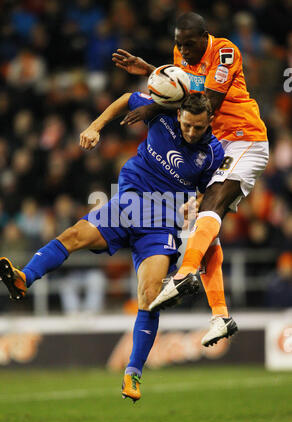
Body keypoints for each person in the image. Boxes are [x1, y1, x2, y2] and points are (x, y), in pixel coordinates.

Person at [0, 91, 224, 402]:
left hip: (161, 222)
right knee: (74, 235)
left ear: (209, 121)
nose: (191, 132)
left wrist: (195, 204)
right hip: (127, 203)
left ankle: (133, 373)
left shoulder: (212, 153)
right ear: (180, 116)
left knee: (150, 295)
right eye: (187, 125)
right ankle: (25, 278)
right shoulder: (162, 115)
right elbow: (127, 98)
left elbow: (212, 196)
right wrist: (95, 126)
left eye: (198, 127)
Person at [112, 11, 269, 347]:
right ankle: (220, 315)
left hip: (244, 138)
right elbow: (179, 86)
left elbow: (204, 104)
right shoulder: (179, 55)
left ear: (204, 36)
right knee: (204, 227)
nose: (182, 51)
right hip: (216, 146)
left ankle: (184, 274)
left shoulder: (225, 52)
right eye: (178, 44)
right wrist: (152, 72)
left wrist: (152, 107)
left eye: (189, 44)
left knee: (211, 205)